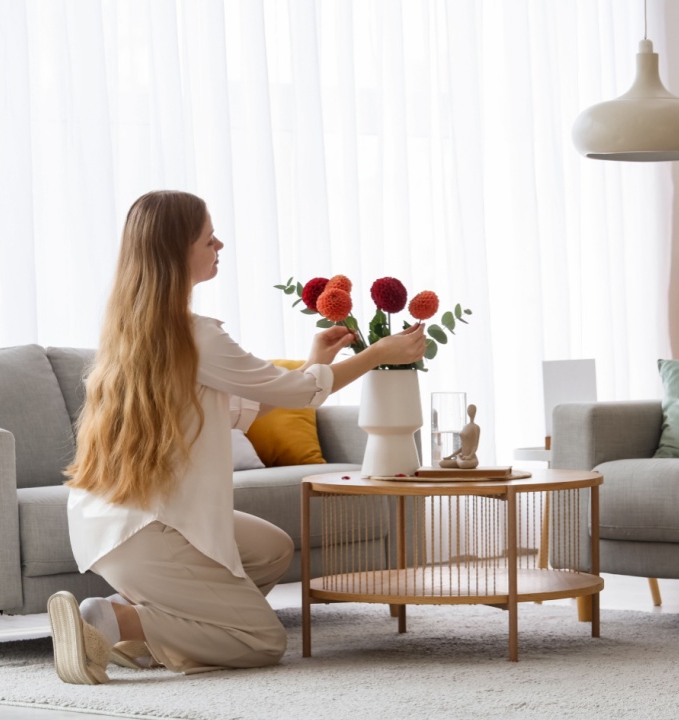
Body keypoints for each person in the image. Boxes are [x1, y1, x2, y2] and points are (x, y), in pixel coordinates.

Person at [48, 190, 426, 684]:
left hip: (117, 521)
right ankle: (117, 622)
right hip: (144, 529)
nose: (219, 244)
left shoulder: (137, 330)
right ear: (178, 251)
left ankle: (136, 632)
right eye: (208, 238)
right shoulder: (195, 335)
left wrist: (318, 358)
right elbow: (298, 392)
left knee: (269, 548)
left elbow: (250, 405)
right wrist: (377, 354)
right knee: (263, 641)